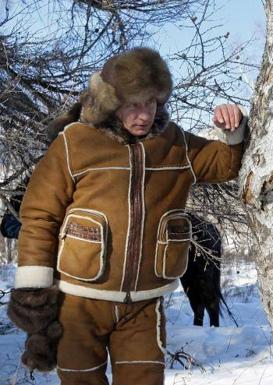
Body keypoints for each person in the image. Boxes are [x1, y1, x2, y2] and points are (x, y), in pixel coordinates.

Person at [7, 47, 248, 385]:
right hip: (78, 303)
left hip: (142, 307)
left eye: (151, 102)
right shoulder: (75, 143)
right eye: (133, 103)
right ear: (111, 102)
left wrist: (233, 130)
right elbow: (39, 217)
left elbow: (226, 163)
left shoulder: (174, 143)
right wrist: (34, 291)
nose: (144, 114)